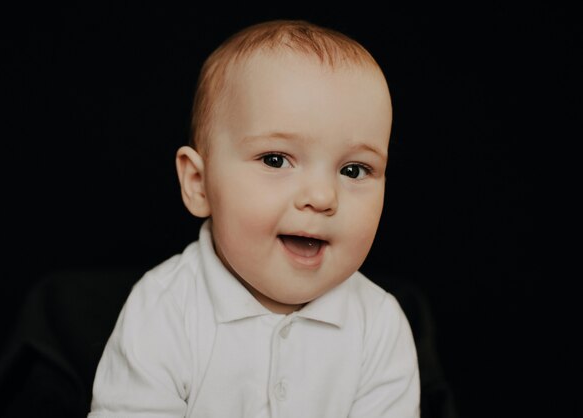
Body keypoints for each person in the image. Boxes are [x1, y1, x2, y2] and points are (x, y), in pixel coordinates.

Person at [88, 19, 420, 418]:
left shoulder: (379, 327)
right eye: (276, 160)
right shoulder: (165, 310)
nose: (321, 197)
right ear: (199, 183)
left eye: (353, 170)